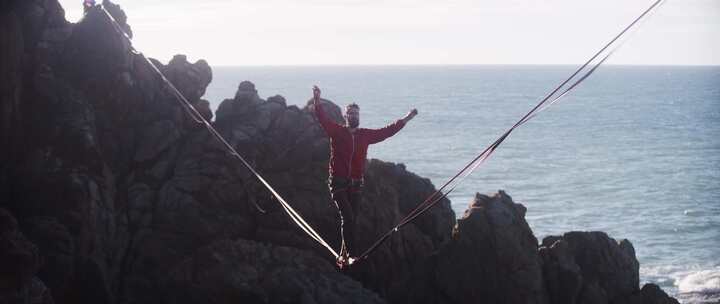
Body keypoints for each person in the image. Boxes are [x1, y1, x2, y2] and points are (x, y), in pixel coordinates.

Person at [311, 85, 417, 266]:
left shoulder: (365, 135)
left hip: (356, 185)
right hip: (338, 183)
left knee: (352, 219)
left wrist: (407, 118)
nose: (354, 116)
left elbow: (387, 131)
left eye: (356, 114)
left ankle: (344, 256)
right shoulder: (337, 132)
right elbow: (322, 118)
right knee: (348, 217)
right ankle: (351, 255)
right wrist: (317, 100)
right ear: (346, 116)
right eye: (351, 114)